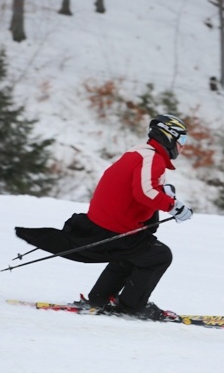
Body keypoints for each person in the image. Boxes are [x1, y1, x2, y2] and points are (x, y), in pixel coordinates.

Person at [15, 114, 193, 321]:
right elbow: (144, 192)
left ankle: (100, 298)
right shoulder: (152, 158)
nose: (183, 147)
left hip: (105, 224)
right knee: (159, 256)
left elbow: (140, 188)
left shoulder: (140, 153)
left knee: (133, 252)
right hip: (114, 228)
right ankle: (132, 307)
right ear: (169, 137)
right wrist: (173, 206)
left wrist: (164, 193)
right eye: (182, 140)